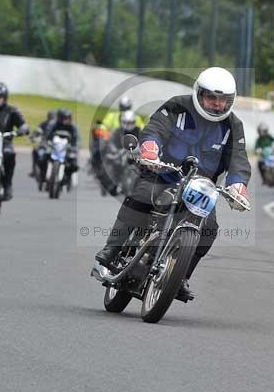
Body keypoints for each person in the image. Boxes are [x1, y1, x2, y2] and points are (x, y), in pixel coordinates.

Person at [93, 66, 251, 301]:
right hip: (162, 173)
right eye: (212, 98)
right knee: (141, 197)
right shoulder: (177, 106)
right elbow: (155, 129)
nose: (218, 105)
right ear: (199, 94)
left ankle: (181, 277)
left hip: (199, 185)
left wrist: (239, 186)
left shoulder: (233, 126)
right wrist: (150, 149)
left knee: (210, 227)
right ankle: (112, 248)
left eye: (224, 100)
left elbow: (238, 158)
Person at [38, 108, 80, 185]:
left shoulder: (73, 126)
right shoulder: (52, 124)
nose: (66, 120)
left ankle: (68, 178)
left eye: (67, 118)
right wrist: (44, 144)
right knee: (42, 159)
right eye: (64, 118)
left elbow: (77, 139)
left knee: (74, 164)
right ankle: (42, 177)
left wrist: (75, 148)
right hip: (54, 147)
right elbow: (46, 135)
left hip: (67, 148)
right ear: (59, 118)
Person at [30, 110, 56, 177]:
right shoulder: (44, 124)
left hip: (55, 146)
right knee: (36, 152)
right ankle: (34, 170)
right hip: (45, 144)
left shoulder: (58, 125)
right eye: (50, 117)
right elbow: (37, 131)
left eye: (52, 118)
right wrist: (33, 136)